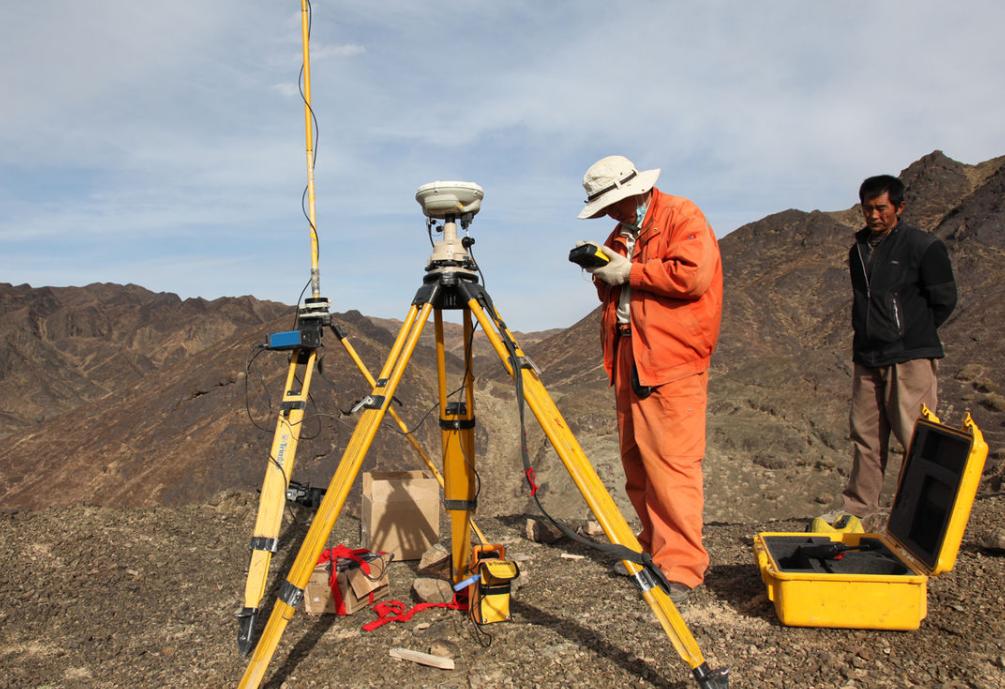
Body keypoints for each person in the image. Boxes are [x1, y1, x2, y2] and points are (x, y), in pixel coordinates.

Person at [576, 155, 722, 604]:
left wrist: (630, 271)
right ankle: (656, 550)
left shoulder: (681, 216)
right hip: (628, 353)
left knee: (672, 464)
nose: (609, 213)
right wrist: (604, 270)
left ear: (632, 190)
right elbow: (617, 289)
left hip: (671, 359)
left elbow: (691, 276)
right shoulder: (620, 233)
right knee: (637, 462)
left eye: (611, 203)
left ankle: (681, 567)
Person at [836, 174, 957, 520]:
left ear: (899, 207)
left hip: (910, 357)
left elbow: (944, 300)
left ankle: (922, 515)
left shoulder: (922, 245)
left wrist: (910, 334)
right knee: (866, 437)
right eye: (867, 209)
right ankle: (858, 510)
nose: (873, 216)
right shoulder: (858, 250)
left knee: (915, 438)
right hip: (868, 355)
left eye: (880, 208)